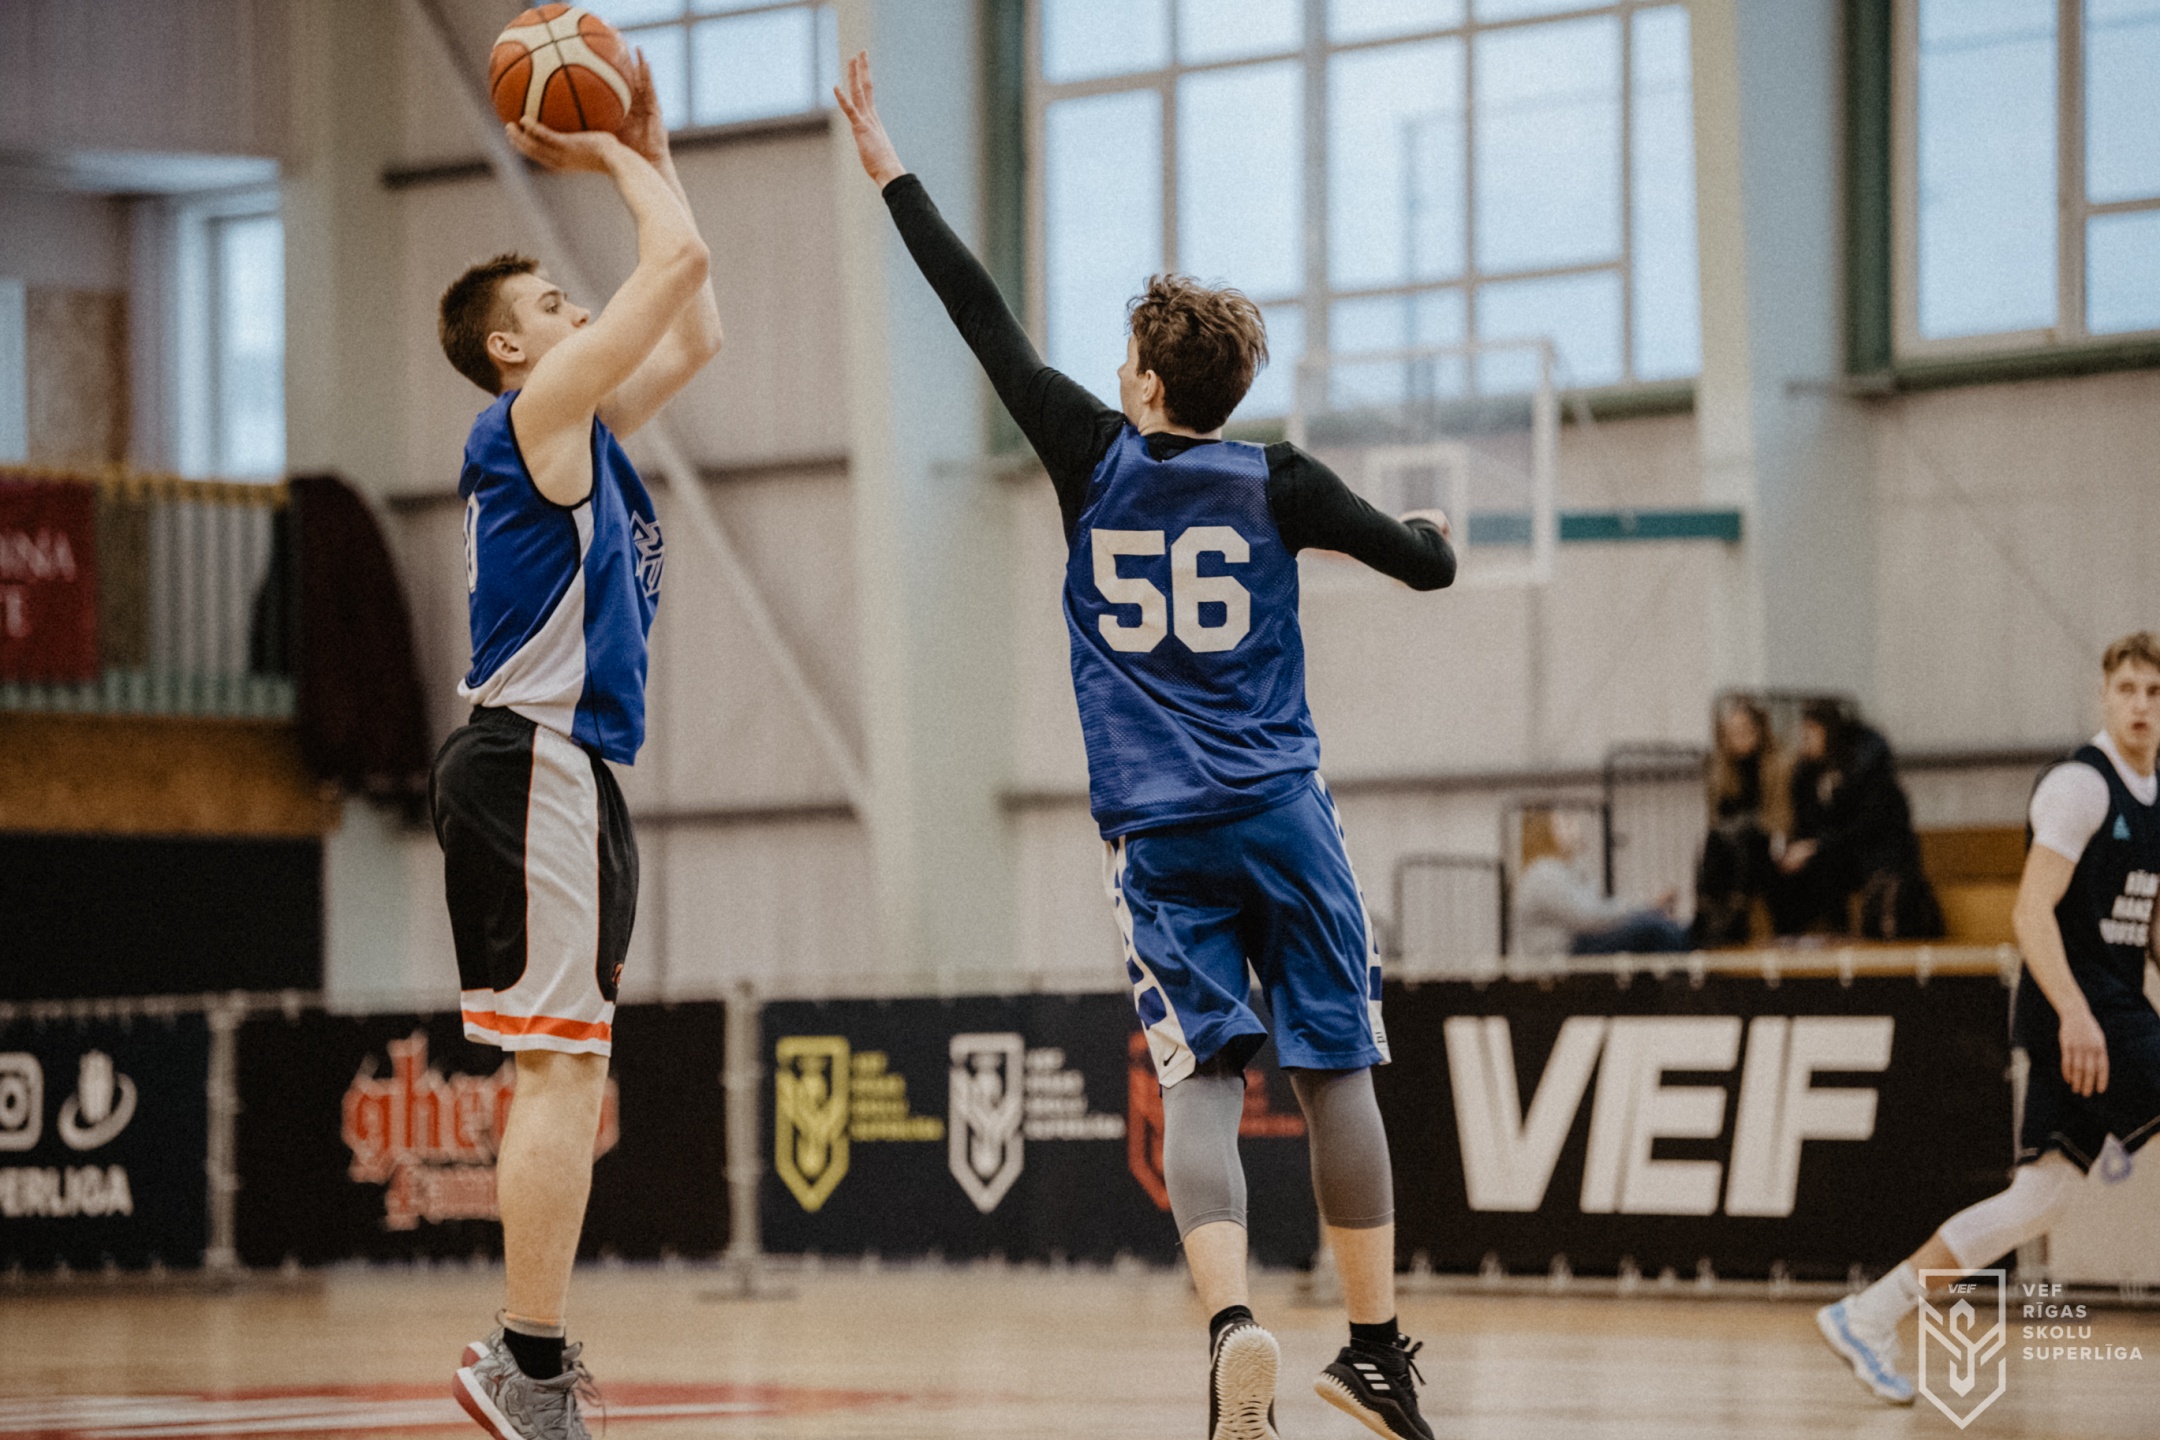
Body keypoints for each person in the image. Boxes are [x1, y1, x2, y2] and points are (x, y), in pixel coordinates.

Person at [834, 53, 1454, 1440]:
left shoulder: (1088, 452)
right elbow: (1423, 567)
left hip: (1159, 834)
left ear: (1147, 378)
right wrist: (1434, 539)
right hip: (1284, 814)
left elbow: (978, 312)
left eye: (1125, 354)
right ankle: (1374, 1353)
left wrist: (891, 169)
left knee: (1202, 1086)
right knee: (1338, 1073)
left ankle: (1234, 1328)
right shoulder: (1280, 480)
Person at [428, 57, 722, 1440]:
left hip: (554, 766)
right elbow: (679, 264)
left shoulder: (582, 431)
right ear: (510, 350)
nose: (578, 309)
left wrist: (650, 146)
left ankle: (530, 1359)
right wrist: (608, 154)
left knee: (564, 1064)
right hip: (533, 757)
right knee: (559, 1068)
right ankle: (527, 1365)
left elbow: (698, 326)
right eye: (552, 305)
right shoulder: (537, 418)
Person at [1817, 632, 2160, 1404]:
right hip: (2079, 1005)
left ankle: (1868, 1314)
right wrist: (2073, 1013)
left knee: (2040, 1199)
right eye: (2128, 689)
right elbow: (2029, 911)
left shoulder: (2157, 795)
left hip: (2109, 1006)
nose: (2141, 705)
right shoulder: (2081, 786)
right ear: (2104, 696)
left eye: (2155, 692)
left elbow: (2152, 924)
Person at [1771, 699, 1943, 940]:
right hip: (1838, 854)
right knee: (1785, 872)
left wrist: (1817, 846)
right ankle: (1794, 938)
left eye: (1811, 732)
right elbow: (1807, 823)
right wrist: (1795, 847)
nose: (1804, 740)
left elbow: (1870, 826)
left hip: (1875, 854)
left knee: (1828, 863)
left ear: (1830, 733)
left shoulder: (1868, 769)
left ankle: (1839, 932)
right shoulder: (1806, 774)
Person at [1513, 809, 1690, 958]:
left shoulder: (1567, 870)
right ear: (1544, 833)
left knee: (1650, 922)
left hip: (1578, 943)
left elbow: (1596, 912)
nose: (1576, 827)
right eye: (1566, 823)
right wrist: (1643, 908)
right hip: (1565, 952)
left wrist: (1643, 910)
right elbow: (1589, 917)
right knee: (1652, 929)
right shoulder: (1543, 872)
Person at [1690, 694, 1786, 947]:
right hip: (1730, 846)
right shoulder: (1720, 770)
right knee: (1713, 842)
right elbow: (1716, 820)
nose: (1739, 737)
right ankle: (1707, 914)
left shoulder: (1775, 765)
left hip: (1765, 841)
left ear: (1758, 730)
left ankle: (1735, 914)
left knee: (1741, 839)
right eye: (1732, 732)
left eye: (1744, 730)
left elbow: (1779, 817)